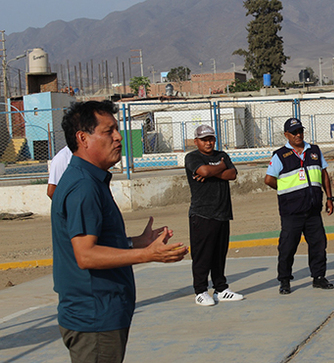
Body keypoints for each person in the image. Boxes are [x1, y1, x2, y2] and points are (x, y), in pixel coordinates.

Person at [51, 100, 188, 363]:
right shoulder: (83, 187)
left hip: (102, 314)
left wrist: (137, 242)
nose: (118, 137)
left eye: (117, 129)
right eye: (108, 131)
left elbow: (97, 242)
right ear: (83, 138)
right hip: (95, 319)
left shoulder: (91, 180)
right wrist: (147, 254)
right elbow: (85, 255)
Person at [264, 118, 334, 294]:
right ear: (286, 135)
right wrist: (286, 191)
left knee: (318, 244)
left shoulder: (314, 151)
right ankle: (285, 281)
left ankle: (318, 277)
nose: (298, 135)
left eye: (300, 131)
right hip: (292, 212)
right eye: (294, 132)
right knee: (287, 247)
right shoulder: (280, 155)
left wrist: (329, 198)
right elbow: (269, 179)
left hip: (313, 210)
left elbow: (324, 174)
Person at [185, 124, 244, 305]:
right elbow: (202, 171)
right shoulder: (192, 157)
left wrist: (213, 171)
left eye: (211, 139)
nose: (208, 143)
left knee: (219, 253)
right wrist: (219, 168)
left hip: (222, 212)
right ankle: (201, 290)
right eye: (204, 140)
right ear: (196, 142)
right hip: (202, 213)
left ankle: (221, 288)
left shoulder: (222, 156)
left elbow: (232, 174)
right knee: (202, 255)